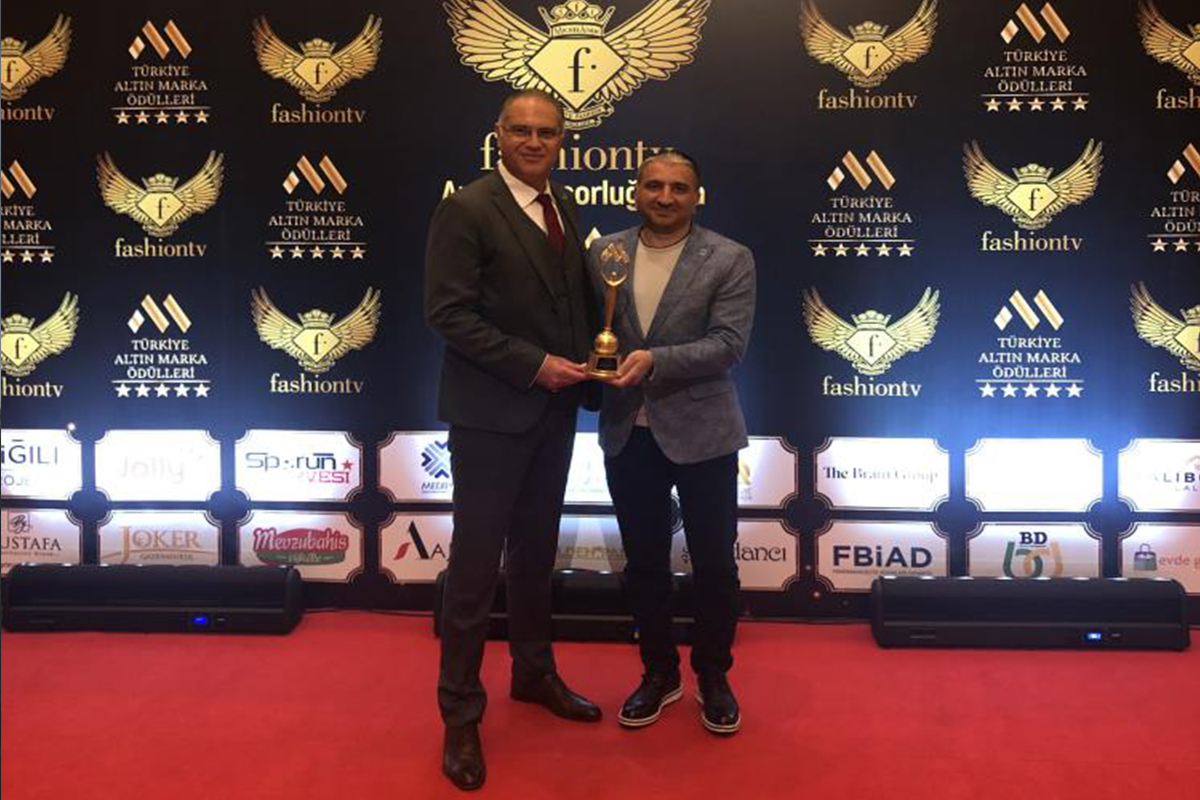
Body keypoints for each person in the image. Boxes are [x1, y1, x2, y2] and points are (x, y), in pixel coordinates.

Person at [424, 89, 601, 791]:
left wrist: (593, 365)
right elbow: (447, 314)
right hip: (490, 416)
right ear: (498, 134)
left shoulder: (565, 207)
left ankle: (532, 673)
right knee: (474, 569)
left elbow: (571, 305)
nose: (534, 141)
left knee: (535, 556)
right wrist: (534, 365)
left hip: (554, 413)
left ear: (562, 140)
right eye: (521, 130)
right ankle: (460, 713)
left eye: (546, 132)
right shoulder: (467, 208)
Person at [588, 151, 755, 734]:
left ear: (696, 196)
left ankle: (713, 675)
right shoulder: (603, 253)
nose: (664, 197)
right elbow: (588, 330)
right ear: (635, 190)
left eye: (679, 188)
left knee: (715, 566)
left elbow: (729, 344)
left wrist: (654, 360)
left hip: (705, 433)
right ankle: (659, 673)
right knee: (643, 565)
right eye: (654, 185)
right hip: (625, 431)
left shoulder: (729, 257)